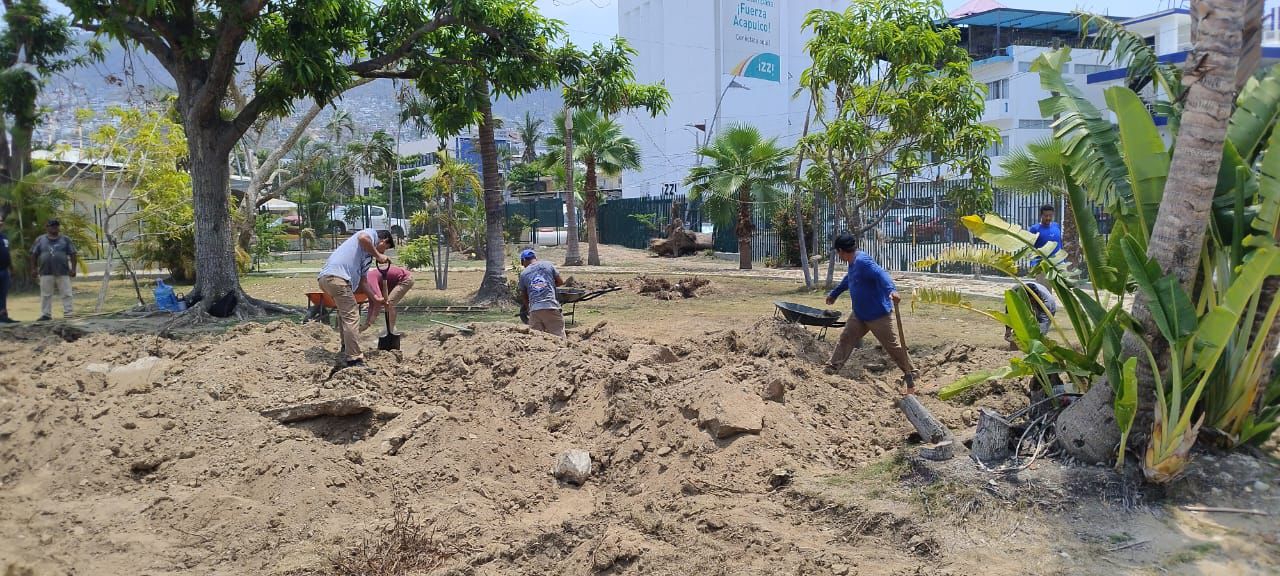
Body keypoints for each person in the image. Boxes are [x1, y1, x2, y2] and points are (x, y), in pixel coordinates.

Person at [824, 233, 916, 394]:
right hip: (859, 314)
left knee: (892, 346)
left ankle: (912, 372)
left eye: (838, 252)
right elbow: (849, 279)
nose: (838, 255)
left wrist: (892, 290)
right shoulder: (853, 263)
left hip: (877, 315)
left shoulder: (863, 261)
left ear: (841, 251)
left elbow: (882, 274)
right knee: (846, 338)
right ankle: (832, 367)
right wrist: (835, 293)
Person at [317, 228, 393, 367]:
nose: (384, 252)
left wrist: (375, 299)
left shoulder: (366, 256)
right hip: (337, 278)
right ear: (383, 240)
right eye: (385, 248)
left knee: (344, 315)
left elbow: (364, 282)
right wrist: (378, 255)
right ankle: (354, 359)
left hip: (327, 279)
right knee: (352, 316)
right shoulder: (371, 234)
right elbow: (363, 238)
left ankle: (346, 348)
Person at [30, 219, 77, 321]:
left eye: (56, 226)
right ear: (47, 227)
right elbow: (33, 254)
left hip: (63, 271)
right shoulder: (40, 240)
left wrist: (73, 269)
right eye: (52, 226)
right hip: (45, 271)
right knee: (46, 294)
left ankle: (68, 313)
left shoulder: (65, 239)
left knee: (66, 293)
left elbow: (73, 254)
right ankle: (46, 314)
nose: (54, 228)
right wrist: (33, 269)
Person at [518, 248, 565, 338]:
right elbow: (560, 282)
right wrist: (548, 284)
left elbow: (524, 295)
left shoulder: (524, 273)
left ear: (523, 260)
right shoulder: (548, 265)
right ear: (535, 257)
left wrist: (529, 308)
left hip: (535, 310)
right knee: (559, 338)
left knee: (536, 340)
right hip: (551, 306)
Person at [360, 263, 414, 335]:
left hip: (405, 279)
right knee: (387, 304)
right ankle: (389, 329)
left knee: (389, 304)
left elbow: (378, 301)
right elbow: (372, 303)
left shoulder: (369, 280)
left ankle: (390, 331)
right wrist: (367, 322)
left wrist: (372, 319)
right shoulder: (365, 280)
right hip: (393, 282)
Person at [1004, 281, 1058, 350]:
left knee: (1038, 336)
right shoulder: (1016, 291)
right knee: (1019, 328)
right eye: (1030, 301)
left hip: (1046, 309)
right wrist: (1008, 329)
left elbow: (1043, 324)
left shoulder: (1045, 304)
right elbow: (1009, 310)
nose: (1031, 303)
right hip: (1026, 300)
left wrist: (1036, 341)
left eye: (1033, 301)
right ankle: (1014, 351)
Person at [0, 227, 13, 323]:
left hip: (5, 270)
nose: (1, 222)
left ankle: (3, 317)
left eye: (1, 220)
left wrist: (11, 267)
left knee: (3, 294)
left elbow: (7, 253)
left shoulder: (4, 237)